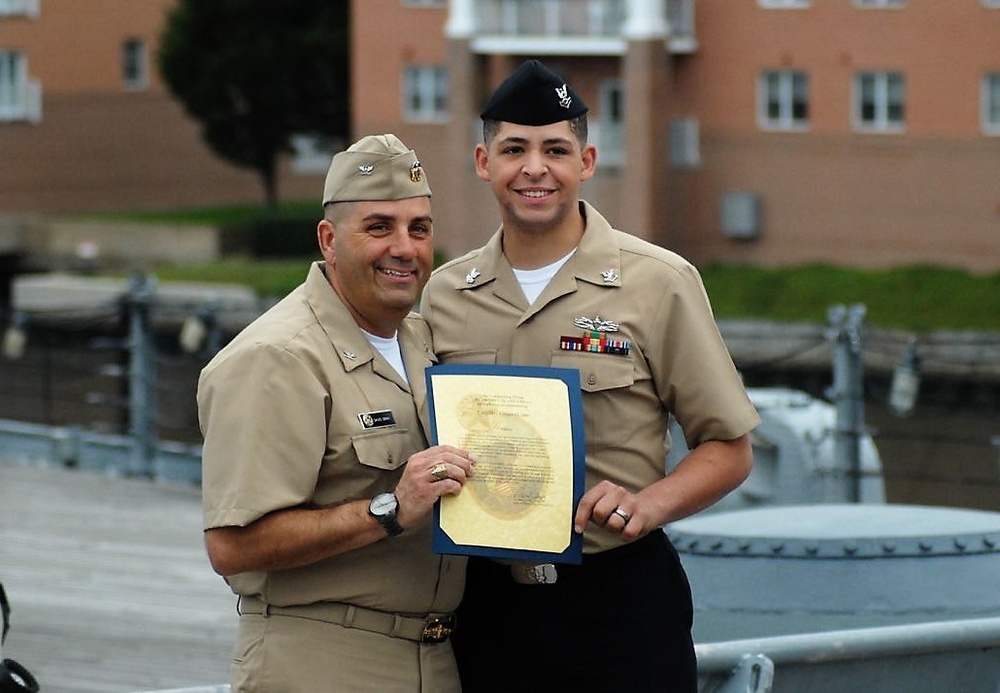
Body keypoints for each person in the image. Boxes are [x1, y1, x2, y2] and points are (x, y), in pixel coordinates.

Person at [420, 60, 761, 692]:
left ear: (588, 161)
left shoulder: (657, 282)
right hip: (486, 606)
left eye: (556, 148)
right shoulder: (445, 294)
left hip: (619, 600)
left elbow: (730, 448)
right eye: (513, 149)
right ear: (481, 161)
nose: (534, 168)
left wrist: (646, 503)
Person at [197, 134, 476, 693]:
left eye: (418, 228)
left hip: (434, 658)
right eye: (379, 228)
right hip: (322, 660)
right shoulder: (277, 357)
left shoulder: (422, 342)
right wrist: (392, 508)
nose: (405, 248)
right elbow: (233, 546)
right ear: (329, 238)